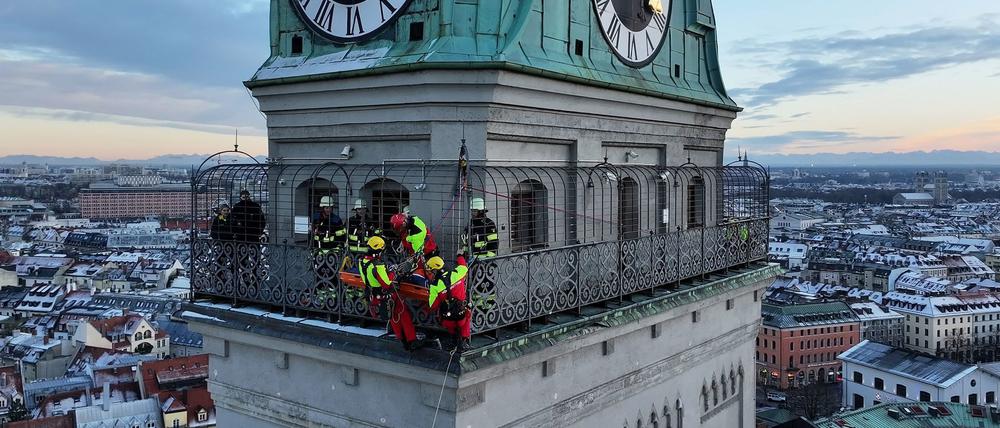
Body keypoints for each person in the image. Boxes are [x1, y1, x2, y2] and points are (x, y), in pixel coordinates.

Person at [358, 236, 420, 351]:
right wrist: (392, 272)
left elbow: (369, 279)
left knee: (392, 318)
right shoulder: (378, 265)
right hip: (388, 295)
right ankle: (412, 341)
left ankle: (402, 340)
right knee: (403, 315)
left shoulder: (363, 262)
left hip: (375, 295)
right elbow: (387, 284)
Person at [426, 254, 471, 350]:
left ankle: (454, 340)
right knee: (468, 313)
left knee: (445, 319)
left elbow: (432, 305)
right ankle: (464, 340)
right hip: (461, 316)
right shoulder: (457, 273)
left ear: (435, 270)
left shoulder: (434, 286)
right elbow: (463, 266)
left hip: (448, 320)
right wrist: (460, 256)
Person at [390, 210, 438, 276]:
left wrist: (410, 261)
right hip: (422, 249)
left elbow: (418, 254)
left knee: (420, 274)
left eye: (398, 229)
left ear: (403, 226)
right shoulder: (410, 220)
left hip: (427, 254)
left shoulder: (416, 236)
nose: (397, 232)